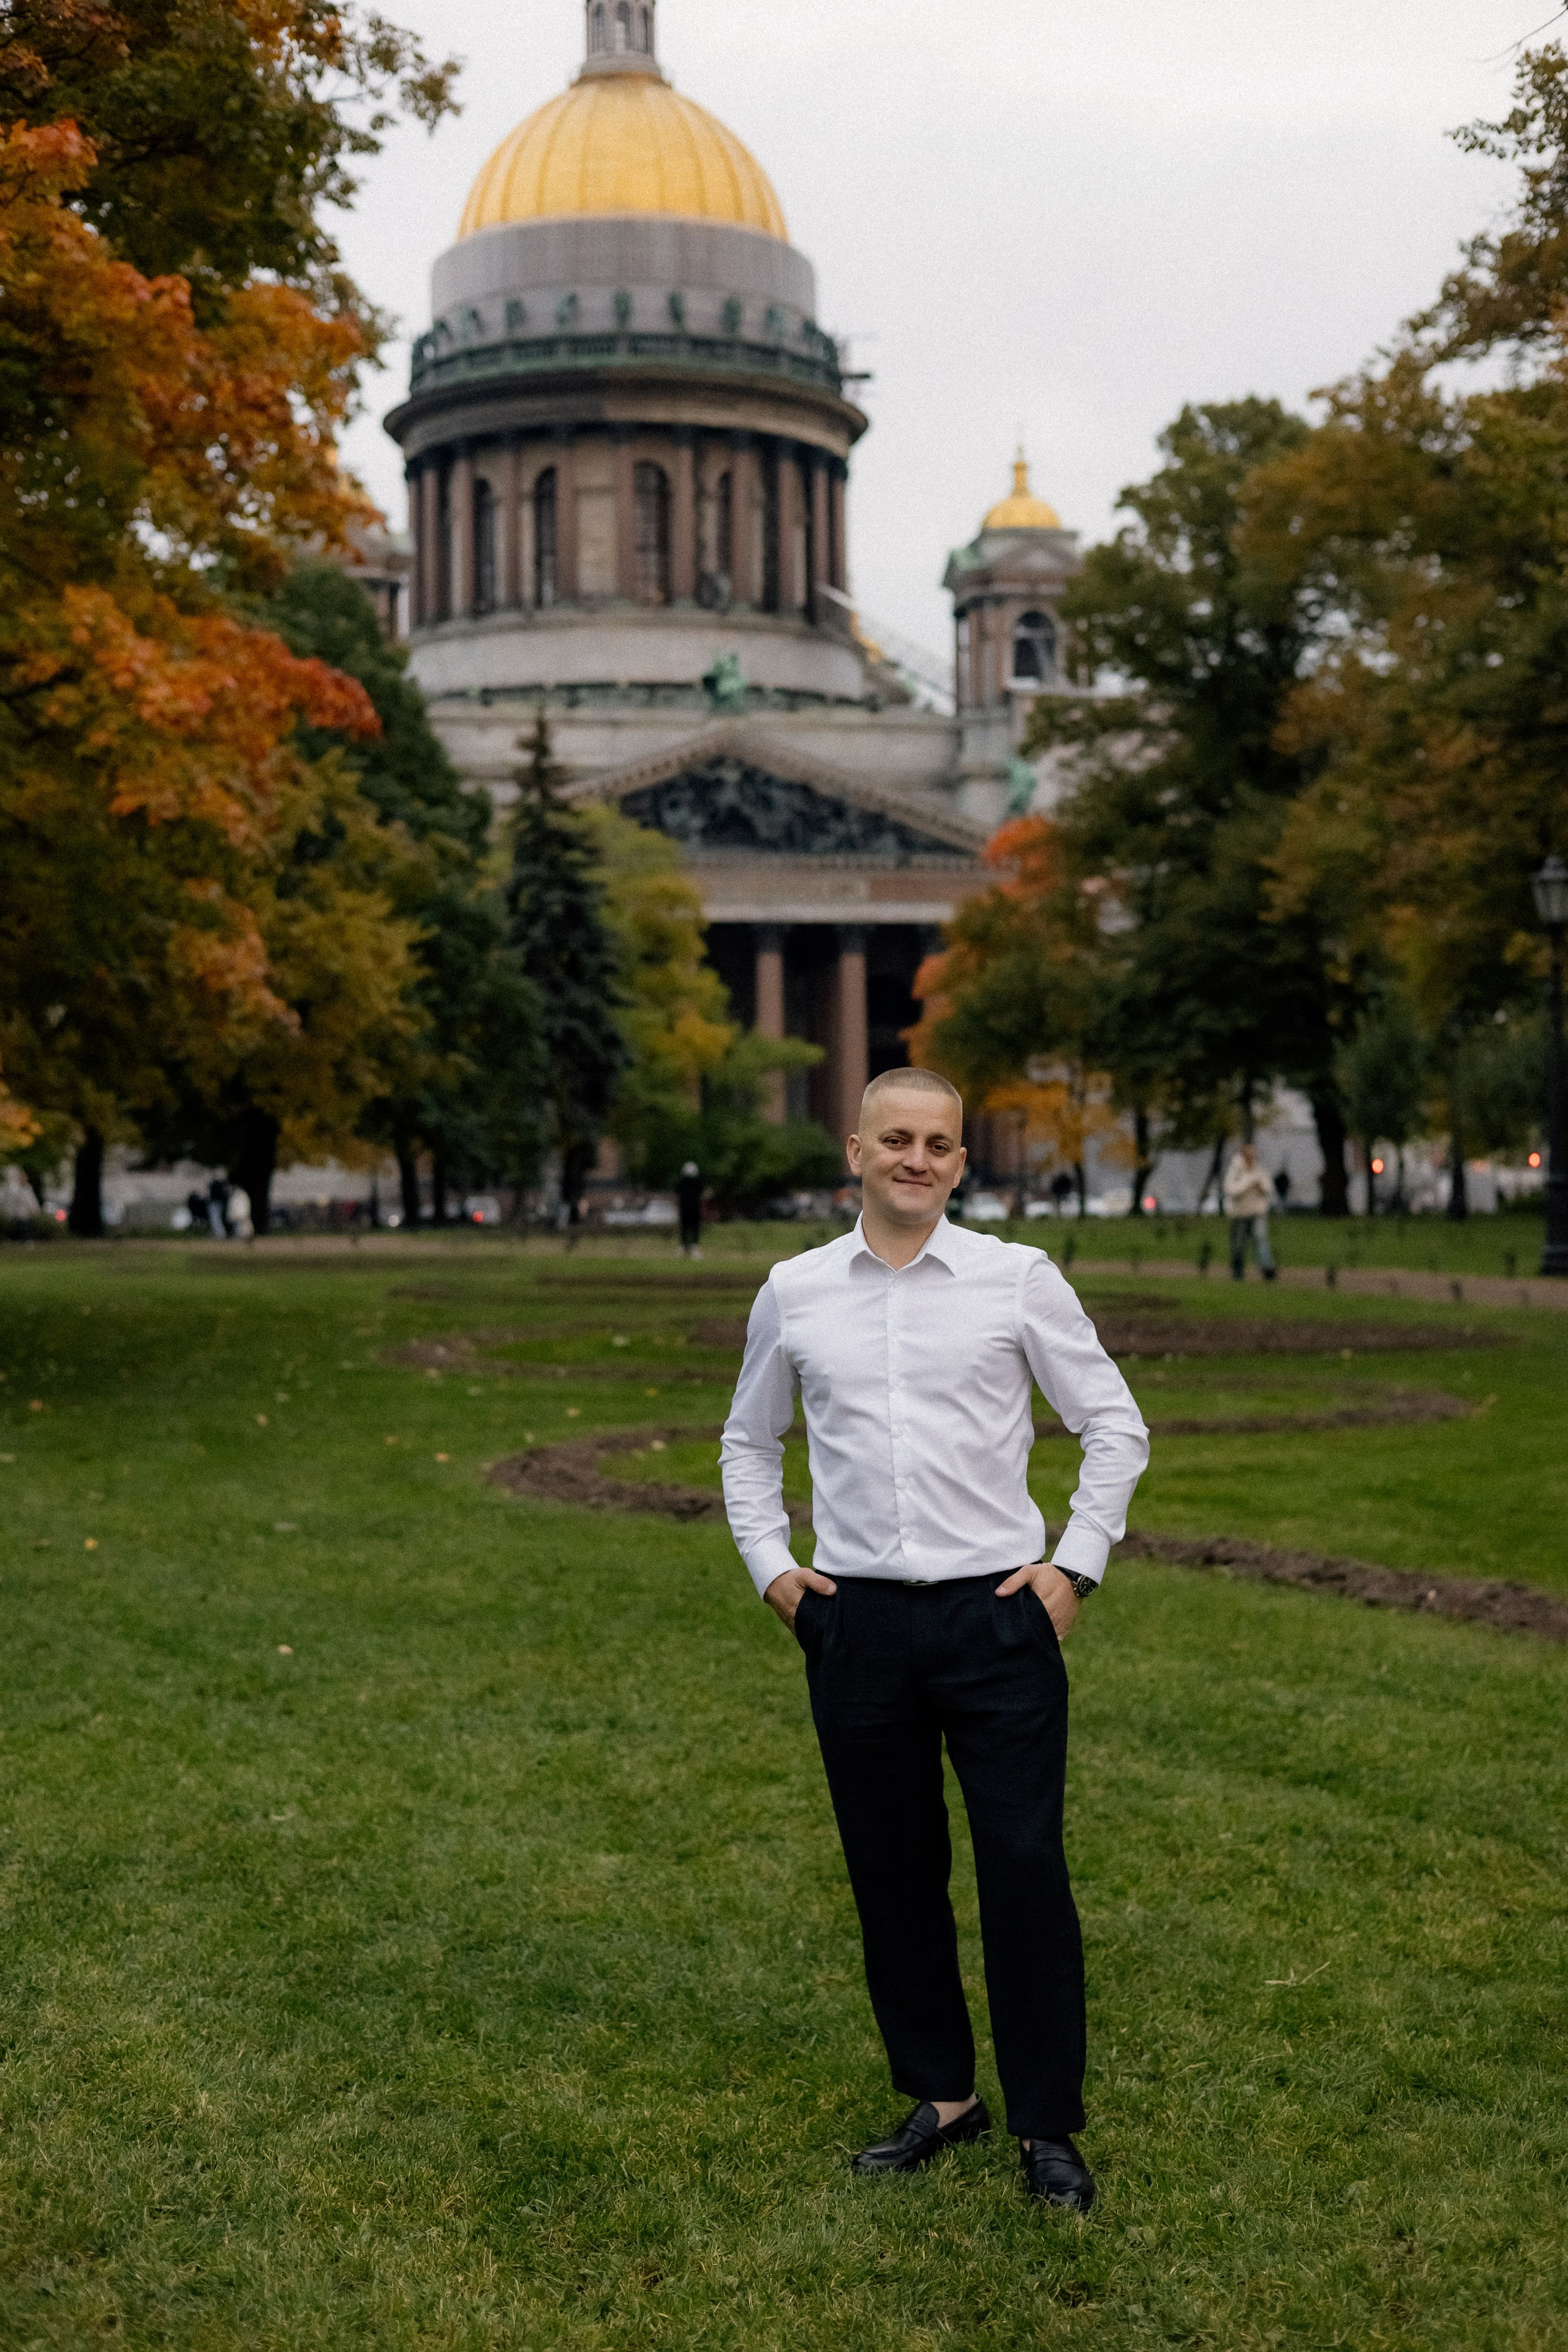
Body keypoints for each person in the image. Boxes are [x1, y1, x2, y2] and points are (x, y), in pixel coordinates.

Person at [720, 1068, 1148, 2212]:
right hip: (853, 1623)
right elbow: (746, 1443)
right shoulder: (795, 1291)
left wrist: (1075, 1564)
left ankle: (1047, 2124)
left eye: (940, 1144)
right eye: (896, 1139)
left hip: (997, 1619)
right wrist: (776, 1573)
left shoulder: (1019, 1281)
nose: (918, 1158)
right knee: (893, 1873)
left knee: (1023, 1869)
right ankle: (943, 2097)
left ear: (963, 1163)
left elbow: (1112, 1422)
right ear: (853, 1151)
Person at [1222, 1141, 1277, 1281]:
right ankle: (1238, 1270)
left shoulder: (1259, 1170)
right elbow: (1230, 1190)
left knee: (1261, 1240)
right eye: (1249, 1154)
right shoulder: (1236, 1171)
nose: (1252, 1157)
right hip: (1240, 1214)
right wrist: (1248, 1183)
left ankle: (1267, 1269)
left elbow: (1268, 1189)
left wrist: (1260, 1187)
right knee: (1239, 1244)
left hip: (1258, 1212)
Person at [676, 1160, 704, 1258]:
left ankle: (691, 1247)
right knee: (689, 1229)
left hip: (690, 1209)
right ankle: (687, 1247)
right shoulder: (690, 1183)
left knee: (690, 1229)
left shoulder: (685, 1183)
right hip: (689, 1209)